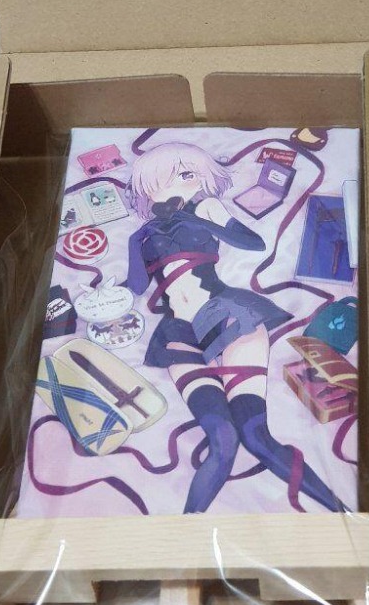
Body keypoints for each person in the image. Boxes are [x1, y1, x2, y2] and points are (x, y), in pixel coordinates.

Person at [124, 141, 344, 513]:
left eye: (189, 174)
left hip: (226, 313)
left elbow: (252, 242)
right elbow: (135, 286)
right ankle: (187, 533)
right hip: (179, 331)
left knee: (255, 437)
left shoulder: (206, 207)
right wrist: (131, 250)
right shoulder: (143, 234)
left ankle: (343, 514)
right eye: (169, 177)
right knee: (222, 441)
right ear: (148, 188)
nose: (184, 182)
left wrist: (201, 219)